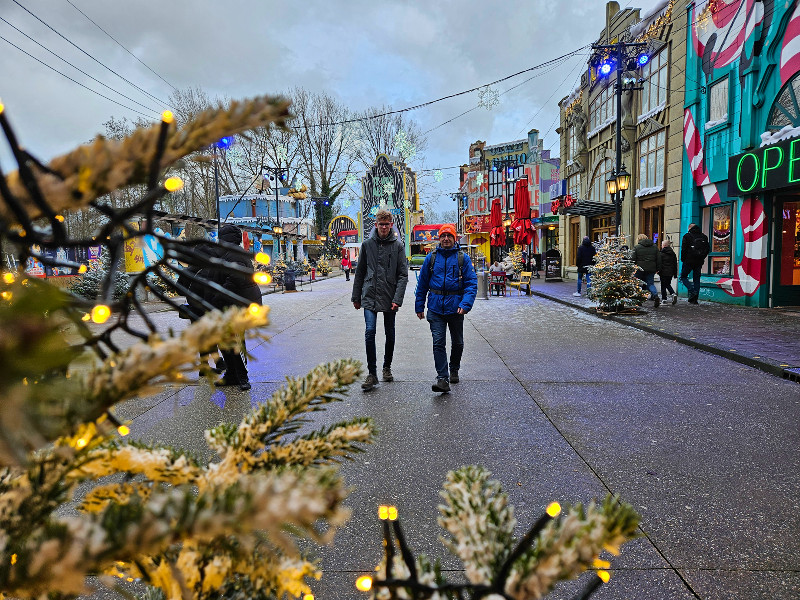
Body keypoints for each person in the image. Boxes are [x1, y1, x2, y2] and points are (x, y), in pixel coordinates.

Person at [415, 224, 478, 393]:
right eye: (443, 236)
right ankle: (442, 378)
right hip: (435, 308)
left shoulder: (462, 258)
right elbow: (422, 284)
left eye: (449, 236)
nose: (446, 239)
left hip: (456, 308)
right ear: (439, 238)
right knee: (438, 342)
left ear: (454, 238)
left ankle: (454, 368)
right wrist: (419, 305)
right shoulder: (431, 258)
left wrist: (465, 304)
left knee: (458, 342)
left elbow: (471, 284)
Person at [352, 210, 409, 391]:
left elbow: (402, 275)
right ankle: (372, 373)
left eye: (387, 224)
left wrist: (397, 299)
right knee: (370, 331)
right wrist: (356, 296)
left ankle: (386, 367)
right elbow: (359, 272)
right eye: (381, 224)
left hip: (390, 295)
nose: (384, 227)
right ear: (376, 225)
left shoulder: (398, 246)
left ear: (391, 225)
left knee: (389, 333)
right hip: (369, 294)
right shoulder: (367, 245)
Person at [202, 224, 262, 391]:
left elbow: (232, 283)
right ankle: (232, 374)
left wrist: (214, 300)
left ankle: (242, 377)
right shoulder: (231, 254)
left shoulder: (235, 256)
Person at [680, 222, 710, 304]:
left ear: (689, 228)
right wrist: (702, 257)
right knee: (697, 279)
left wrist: (683, 259)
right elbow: (707, 249)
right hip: (699, 261)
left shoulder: (687, 236)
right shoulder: (704, 236)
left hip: (688, 261)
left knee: (683, 277)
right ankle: (695, 299)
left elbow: (684, 249)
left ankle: (692, 291)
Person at [631, 233, 662, 307]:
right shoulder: (654, 247)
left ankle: (638, 300)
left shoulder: (637, 247)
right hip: (651, 269)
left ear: (638, 239)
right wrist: (658, 268)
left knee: (637, 284)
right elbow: (659, 259)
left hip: (639, 269)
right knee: (650, 284)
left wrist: (633, 267)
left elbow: (632, 259)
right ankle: (655, 295)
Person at [660, 238, 678, 305]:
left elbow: (659, 263)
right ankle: (673, 294)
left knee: (663, 286)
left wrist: (658, 271)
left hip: (663, 272)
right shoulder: (673, 253)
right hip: (670, 272)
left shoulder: (661, 253)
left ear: (664, 245)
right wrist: (675, 274)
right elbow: (675, 264)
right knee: (667, 284)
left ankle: (664, 299)